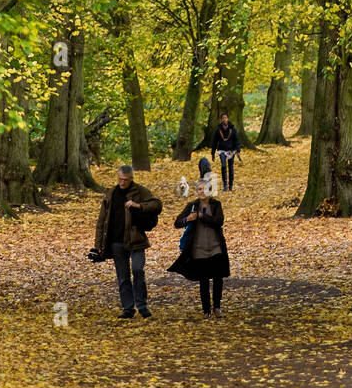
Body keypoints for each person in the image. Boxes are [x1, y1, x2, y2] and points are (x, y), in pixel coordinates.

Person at [91, 164, 162, 319]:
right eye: (120, 179)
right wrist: (98, 246)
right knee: (123, 277)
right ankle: (128, 309)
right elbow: (101, 221)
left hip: (136, 240)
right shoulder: (111, 193)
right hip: (116, 242)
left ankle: (142, 305)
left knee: (138, 270)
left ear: (131, 179)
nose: (122, 183)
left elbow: (157, 204)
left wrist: (138, 205)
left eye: (125, 180)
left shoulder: (140, 191)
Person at [168, 178, 230, 318]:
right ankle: (206, 310)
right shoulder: (192, 205)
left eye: (205, 189)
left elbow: (219, 221)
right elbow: (177, 222)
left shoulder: (216, 204)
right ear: (196, 191)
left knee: (218, 277)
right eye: (199, 189)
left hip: (215, 247)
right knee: (203, 280)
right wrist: (187, 219)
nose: (202, 192)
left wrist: (202, 216)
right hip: (198, 248)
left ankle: (217, 307)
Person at [211, 111, 241, 192]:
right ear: (221, 119)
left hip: (231, 150)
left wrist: (238, 150)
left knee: (230, 168)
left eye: (226, 118)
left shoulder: (232, 128)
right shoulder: (218, 129)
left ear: (228, 119)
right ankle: (225, 185)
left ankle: (230, 185)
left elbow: (236, 140)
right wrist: (213, 153)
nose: (224, 119)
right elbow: (214, 141)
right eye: (223, 118)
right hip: (222, 150)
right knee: (223, 165)